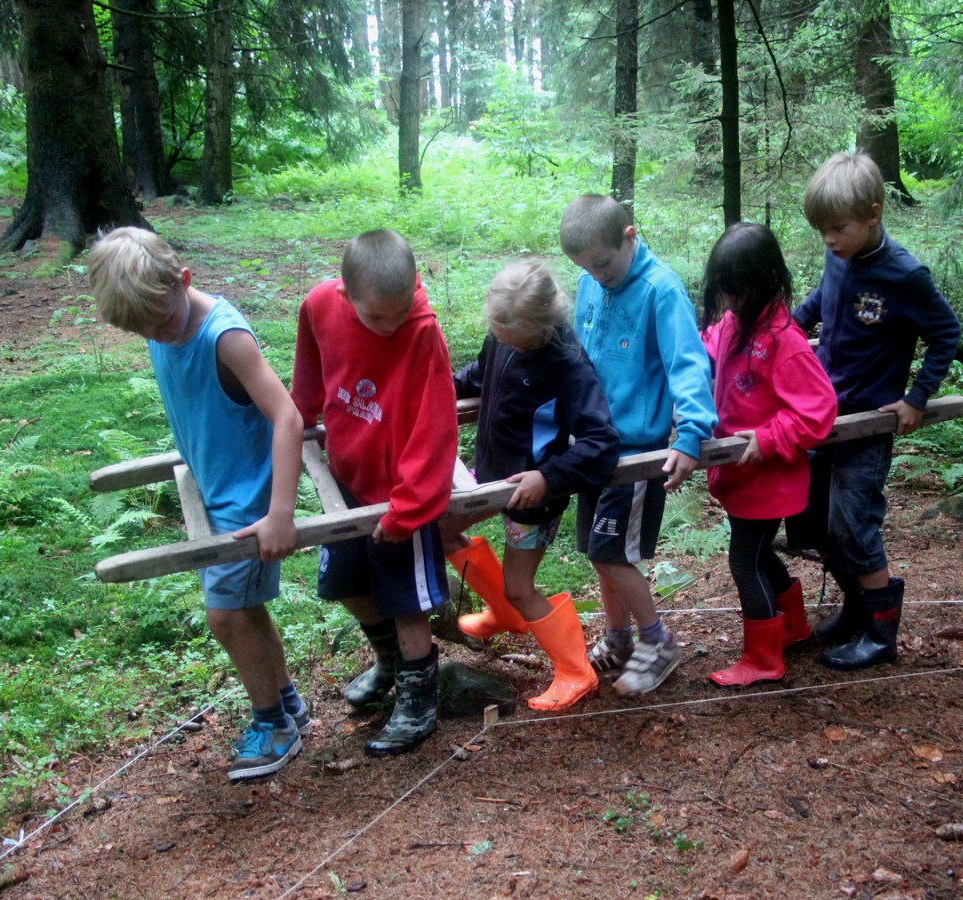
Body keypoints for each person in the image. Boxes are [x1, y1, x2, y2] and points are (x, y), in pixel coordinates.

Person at [87, 227, 310, 781]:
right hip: (215, 486)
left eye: (161, 323)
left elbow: (287, 416)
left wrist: (280, 513)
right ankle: (287, 703)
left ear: (184, 280)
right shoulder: (159, 319)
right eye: (142, 330)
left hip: (246, 501)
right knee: (246, 609)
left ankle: (273, 726)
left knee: (225, 615)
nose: (156, 335)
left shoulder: (224, 337)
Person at [790, 151, 961, 670]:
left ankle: (881, 636)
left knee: (853, 526)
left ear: (873, 213)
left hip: (866, 426)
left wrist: (916, 397)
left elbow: (946, 332)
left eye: (838, 228)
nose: (828, 240)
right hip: (822, 415)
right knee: (814, 522)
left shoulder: (904, 275)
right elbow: (823, 298)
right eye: (821, 230)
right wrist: (788, 329)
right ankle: (856, 609)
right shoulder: (839, 257)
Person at [291, 229, 458, 755]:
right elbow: (310, 366)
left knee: (407, 602)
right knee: (345, 582)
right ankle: (389, 661)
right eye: (377, 318)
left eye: (399, 313)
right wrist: (301, 415)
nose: (390, 326)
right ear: (346, 295)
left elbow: (435, 429)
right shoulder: (321, 304)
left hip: (399, 491)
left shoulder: (421, 331)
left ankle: (418, 703)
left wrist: (408, 509)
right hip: (347, 473)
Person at [559, 195, 717, 696]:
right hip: (592, 446)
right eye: (586, 268)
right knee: (597, 552)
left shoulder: (660, 290)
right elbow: (578, 358)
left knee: (612, 553)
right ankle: (619, 639)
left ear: (630, 236)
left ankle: (657, 640)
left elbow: (687, 364)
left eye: (603, 264)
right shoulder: (591, 283)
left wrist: (690, 432)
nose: (597, 275)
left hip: (637, 451)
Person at [446, 262, 620, 711]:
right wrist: (444, 389)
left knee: (521, 586)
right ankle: (505, 613)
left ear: (540, 326)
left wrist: (548, 477)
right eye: (495, 326)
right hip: (491, 480)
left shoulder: (567, 365)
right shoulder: (503, 338)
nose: (498, 334)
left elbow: (601, 441)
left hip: (534, 495)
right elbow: (480, 373)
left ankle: (576, 671)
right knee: (441, 530)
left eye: (508, 330)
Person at [698, 223, 838, 686]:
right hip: (742, 479)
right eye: (726, 292)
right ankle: (793, 626)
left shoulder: (784, 341)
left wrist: (768, 438)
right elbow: (707, 345)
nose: (731, 301)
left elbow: (819, 410)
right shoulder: (736, 323)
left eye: (738, 291)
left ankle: (762, 658)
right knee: (757, 556)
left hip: (768, 481)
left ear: (766, 281)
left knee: (744, 562)